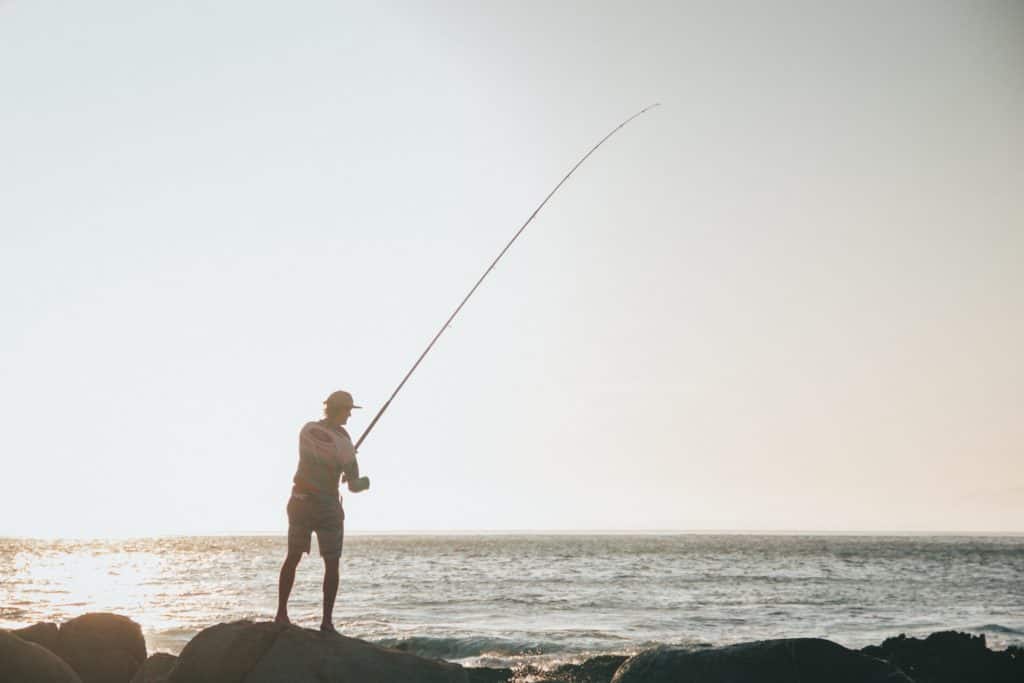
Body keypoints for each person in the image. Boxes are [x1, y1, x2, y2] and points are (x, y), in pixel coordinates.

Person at [275, 390, 369, 633]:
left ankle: (281, 613)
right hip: (326, 506)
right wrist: (365, 480)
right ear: (339, 409)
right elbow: (354, 485)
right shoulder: (344, 444)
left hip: (299, 501)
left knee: (292, 558)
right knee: (331, 563)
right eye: (348, 410)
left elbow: (321, 451)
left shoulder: (306, 430)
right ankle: (326, 622)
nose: (350, 414)